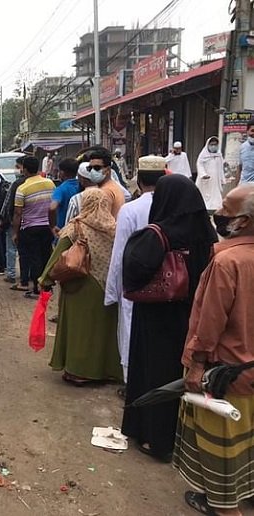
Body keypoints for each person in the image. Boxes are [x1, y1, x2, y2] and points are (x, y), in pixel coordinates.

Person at [121, 175, 217, 463]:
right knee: (182, 375)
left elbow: (134, 271)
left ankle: (155, 438)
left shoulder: (158, 233)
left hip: (158, 315)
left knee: (155, 372)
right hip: (193, 315)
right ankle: (183, 438)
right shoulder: (207, 235)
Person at [173, 185, 254, 516]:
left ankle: (223, 507)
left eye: (224, 208)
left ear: (244, 220)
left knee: (220, 448)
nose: (218, 214)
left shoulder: (227, 261)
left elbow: (210, 323)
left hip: (224, 374)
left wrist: (197, 365)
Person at [40, 189, 122, 384]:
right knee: (105, 329)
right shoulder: (114, 227)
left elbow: (58, 255)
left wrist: (45, 280)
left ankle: (79, 371)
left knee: (81, 329)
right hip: (108, 285)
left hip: (80, 284)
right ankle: (108, 370)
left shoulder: (76, 227)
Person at [104, 156, 166, 391]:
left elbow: (120, 253)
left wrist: (113, 291)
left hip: (136, 281)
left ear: (139, 180)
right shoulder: (174, 204)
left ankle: (132, 383)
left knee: (130, 327)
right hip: (170, 280)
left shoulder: (131, 210)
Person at [12, 156, 55, 299]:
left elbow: (18, 213)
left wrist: (15, 233)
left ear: (24, 169)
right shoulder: (50, 184)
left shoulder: (22, 188)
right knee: (46, 257)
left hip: (30, 228)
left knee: (34, 258)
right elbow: (53, 207)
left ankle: (38, 289)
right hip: (47, 227)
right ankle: (47, 287)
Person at [0, 156, 28, 286]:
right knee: (26, 250)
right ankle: (27, 274)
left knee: (11, 248)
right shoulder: (39, 182)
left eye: (17, 166)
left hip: (14, 221)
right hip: (30, 222)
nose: (16, 169)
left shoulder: (16, 184)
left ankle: (11, 274)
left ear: (23, 167)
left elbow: (8, 203)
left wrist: (2, 219)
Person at [87, 150, 126, 218]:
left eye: (97, 168)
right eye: (90, 168)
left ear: (108, 169)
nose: (92, 171)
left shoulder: (105, 192)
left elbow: (100, 221)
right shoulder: (114, 186)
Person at [49, 158, 79, 237]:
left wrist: (52, 226)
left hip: (63, 231)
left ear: (61, 173)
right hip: (80, 231)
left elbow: (52, 207)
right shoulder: (82, 186)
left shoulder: (60, 189)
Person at [196, 136, 225, 213]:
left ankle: (215, 210)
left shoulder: (219, 155)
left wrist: (222, 179)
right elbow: (200, 165)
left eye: (215, 144)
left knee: (216, 196)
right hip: (206, 179)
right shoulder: (203, 155)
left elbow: (221, 168)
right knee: (204, 196)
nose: (213, 146)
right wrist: (203, 174)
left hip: (215, 180)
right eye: (211, 144)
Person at [236, 119, 254, 185]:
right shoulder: (242, 147)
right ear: (247, 131)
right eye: (252, 131)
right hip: (244, 185)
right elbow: (239, 167)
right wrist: (237, 185)